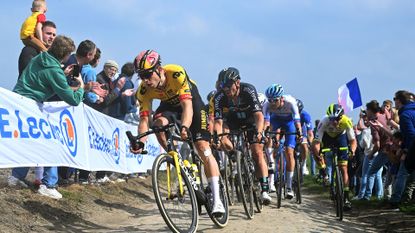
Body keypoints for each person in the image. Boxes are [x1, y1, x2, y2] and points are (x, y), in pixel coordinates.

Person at [130, 50, 224, 215]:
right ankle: (175, 158)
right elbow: (144, 120)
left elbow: (187, 106)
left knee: (202, 146)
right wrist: (140, 142)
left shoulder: (176, 73)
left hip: (191, 103)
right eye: (141, 76)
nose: (145, 80)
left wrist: (185, 127)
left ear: (159, 69)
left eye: (147, 74)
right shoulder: (143, 90)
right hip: (168, 106)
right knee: (158, 125)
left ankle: (217, 199)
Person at [11, 35, 84, 199]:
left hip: (19, 100)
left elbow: (45, 77)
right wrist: (81, 86)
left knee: (28, 141)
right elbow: (73, 99)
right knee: (51, 142)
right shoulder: (54, 70)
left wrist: (62, 73)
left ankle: (15, 177)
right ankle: (48, 184)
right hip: (32, 104)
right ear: (65, 55)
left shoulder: (41, 57)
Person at [213, 67, 272, 205]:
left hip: (251, 120)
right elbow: (218, 121)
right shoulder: (219, 97)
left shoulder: (248, 90)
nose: (226, 89)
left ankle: (264, 190)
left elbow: (259, 115)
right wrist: (217, 137)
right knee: (222, 135)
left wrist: (259, 132)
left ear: (237, 83)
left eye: (228, 85)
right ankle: (235, 154)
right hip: (232, 121)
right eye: (223, 86)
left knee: (257, 152)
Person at [312, 103, 357, 210]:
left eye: (337, 119)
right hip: (327, 137)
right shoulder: (324, 121)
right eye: (332, 119)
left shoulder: (346, 121)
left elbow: (353, 140)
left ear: (341, 117)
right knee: (315, 149)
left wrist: (352, 151)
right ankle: (323, 172)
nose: (334, 122)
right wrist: (318, 154)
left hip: (341, 137)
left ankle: (346, 198)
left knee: (344, 168)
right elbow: (317, 142)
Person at [263, 84, 302, 199]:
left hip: (289, 123)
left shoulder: (291, 102)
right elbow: (266, 122)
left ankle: (289, 186)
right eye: (270, 100)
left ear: (281, 98)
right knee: (269, 137)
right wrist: (266, 134)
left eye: (274, 100)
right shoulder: (267, 105)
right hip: (275, 121)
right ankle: (271, 161)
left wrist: (299, 133)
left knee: (289, 152)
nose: (272, 103)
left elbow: (297, 120)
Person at [297, 99, 314, 176]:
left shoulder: (305, 115)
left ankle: (304, 164)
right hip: (290, 129)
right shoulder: (288, 113)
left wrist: (310, 142)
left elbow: (310, 132)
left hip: (302, 130)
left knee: (304, 145)